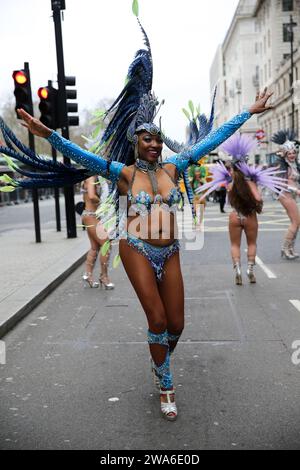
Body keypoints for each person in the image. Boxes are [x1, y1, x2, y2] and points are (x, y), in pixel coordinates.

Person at [0, 8, 273, 421]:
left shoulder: (174, 168)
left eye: (158, 139)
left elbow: (213, 136)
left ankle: (159, 356)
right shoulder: (123, 174)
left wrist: (247, 113)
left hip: (172, 250)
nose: (154, 144)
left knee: (177, 326)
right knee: (158, 318)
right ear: (135, 142)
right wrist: (49, 134)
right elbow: (82, 156)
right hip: (137, 248)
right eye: (147, 139)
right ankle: (166, 383)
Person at [196, 132, 287, 285]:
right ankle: (250, 270)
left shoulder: (229, 182)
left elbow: (227, 199)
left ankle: (237, 269)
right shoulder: (251, 180)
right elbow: (258, 198)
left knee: (234, 245)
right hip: (250, 216)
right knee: (252, 244)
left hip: (234, 216)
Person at [81, 176, 115, 289]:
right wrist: (103, 203)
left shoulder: (95, 178)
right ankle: (104, 276)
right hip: (91, 215)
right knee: (106, 244)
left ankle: (88, 274)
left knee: (94, 247)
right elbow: (91, 196)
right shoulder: (91, 178)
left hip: (90, 215)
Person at [271, 131, 300, 260]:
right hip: (285, 195)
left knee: (296, 222)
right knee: (296, 221)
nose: (292, 155)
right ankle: (285, 248)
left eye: (294, 152)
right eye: (290, 153)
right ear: (285, 154)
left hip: (291, 195)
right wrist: (296, 190)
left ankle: (290, 249)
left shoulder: (293, 165)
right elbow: (281, 183)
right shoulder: (281, 165)